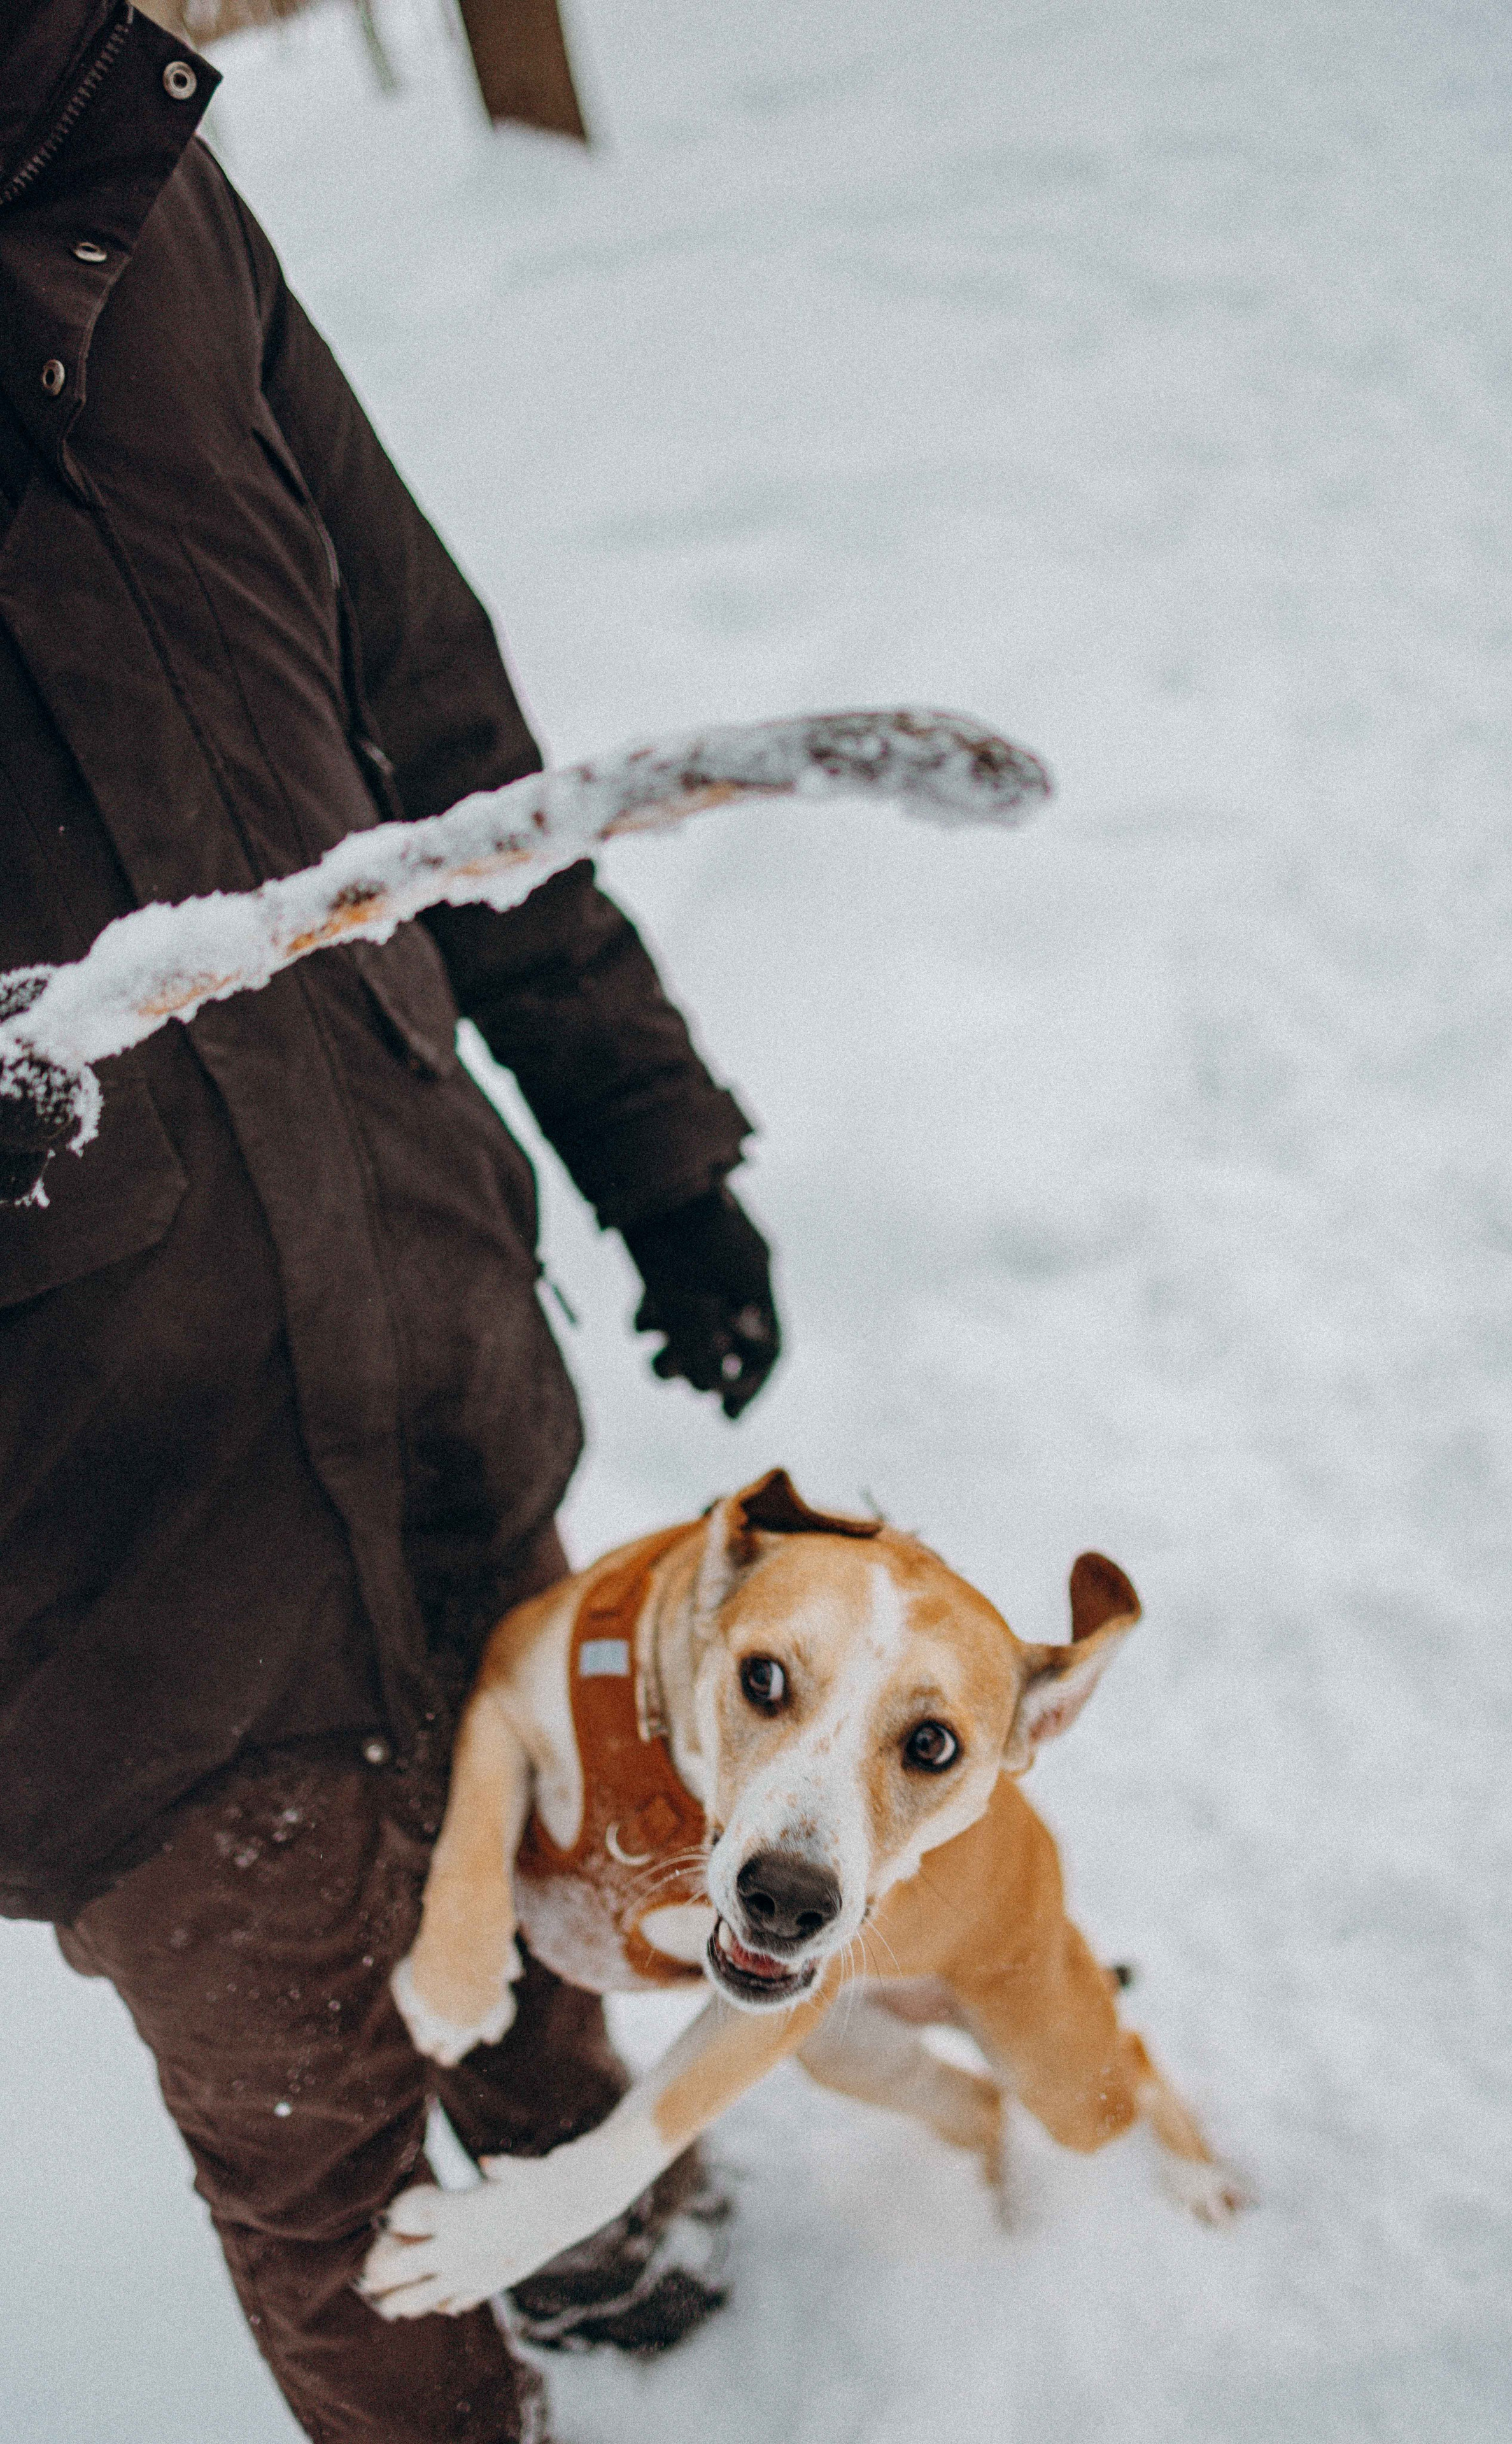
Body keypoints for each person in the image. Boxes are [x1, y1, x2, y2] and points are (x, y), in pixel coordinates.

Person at [0, 4, 782, 2437]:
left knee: (544, 1897)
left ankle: (655, 2276)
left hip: (432, 1333)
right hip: (102, 1568)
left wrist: (648, 1141)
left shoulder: (119, 159)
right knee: (327, 2162)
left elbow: (430, 707)